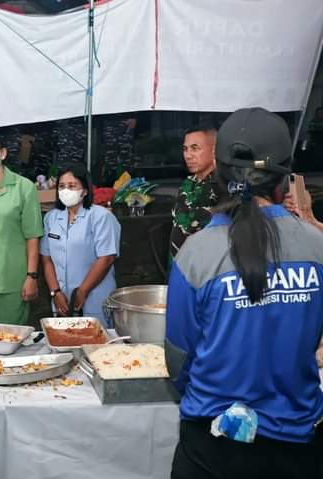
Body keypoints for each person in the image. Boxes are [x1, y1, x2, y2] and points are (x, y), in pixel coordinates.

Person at [166, 108, 323, 479]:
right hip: (295, 442)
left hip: (212, 442)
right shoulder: (316, 248)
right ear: (284, 176)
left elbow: (178, 359)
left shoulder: (197, 252)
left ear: (219, 172)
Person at [0, 128, 43, 325]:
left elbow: (32, 237)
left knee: (11, 339)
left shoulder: (24, 188)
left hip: (12, 281)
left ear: (2, 153)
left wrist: (31, 276)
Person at [40, 165, 120, 324]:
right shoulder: (51, 218)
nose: (66, 191)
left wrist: (82, 291)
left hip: (94, 298)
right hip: (61, 300)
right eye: (61, 186)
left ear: (84, 191)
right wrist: (55, 292)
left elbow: (106, 259)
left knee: (96, 343)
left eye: (72, 186)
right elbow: (46, 258)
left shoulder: (101, 216)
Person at [169, 123, 221, 261]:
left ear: (214, 150)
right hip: (179, 266)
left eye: (195, 148)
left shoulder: (224, 186)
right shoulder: (187, 184)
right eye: (185, 149)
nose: (188, 155)